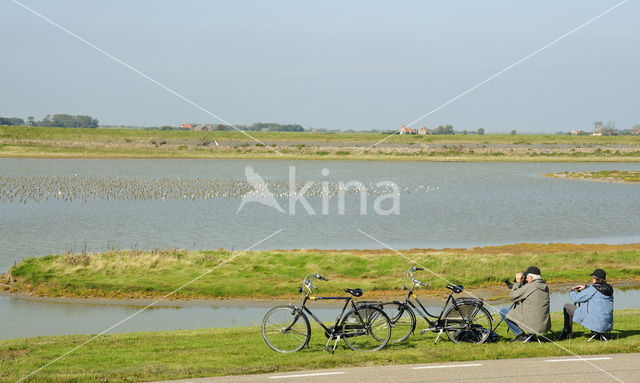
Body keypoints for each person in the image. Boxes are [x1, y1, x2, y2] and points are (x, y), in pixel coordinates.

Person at [559, 268, 613, 340]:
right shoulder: (609, 289)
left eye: (593, 278)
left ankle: (568, 334)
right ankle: (599, 333)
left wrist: (572, 291)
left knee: (567, 306)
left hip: (595, 322)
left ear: (595, 279)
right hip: (607, 324)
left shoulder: (593, 289)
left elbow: (576, 298)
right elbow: (598, 291)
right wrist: (586, 287)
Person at [500, 266, 551, 342]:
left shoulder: (530, 286)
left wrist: (517, 282)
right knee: (532, 311)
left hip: (532, 325)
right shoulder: (545, 286)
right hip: (545, 325)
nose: (526, 279)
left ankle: (521, 335)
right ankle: (531, 336)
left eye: (526, 277)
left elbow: (512, 296)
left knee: (503, 311)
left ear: (530, 278)